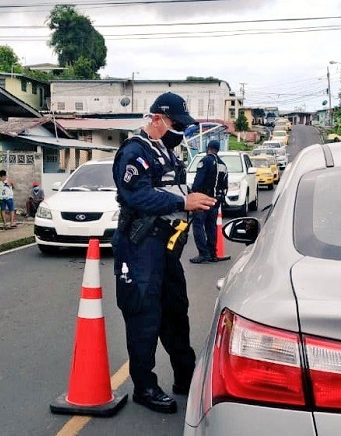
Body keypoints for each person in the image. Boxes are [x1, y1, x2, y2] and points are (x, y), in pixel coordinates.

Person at [112, 92, 216, 414]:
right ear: (156, 119)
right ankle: (145, 386)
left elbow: (175, 189)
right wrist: (181, 203)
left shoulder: (168, 154)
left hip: (166, 246)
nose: (179, 132)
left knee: (175, 308)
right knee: (144, 314)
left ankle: (186, 376)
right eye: (175, 125)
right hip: (140, 245)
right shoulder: (135, 152)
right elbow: (139, 195)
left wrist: (191, 198)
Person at [189, 139, 228, 264]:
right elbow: (225, 184)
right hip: (215, 201)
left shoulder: (205, 161)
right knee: (211, 227)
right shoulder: (223, 164)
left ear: (208, 149)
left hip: (202, 199)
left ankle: (203, 253)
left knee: (198, 226)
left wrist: (193, 193)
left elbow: (198, 181)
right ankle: (212, 253)